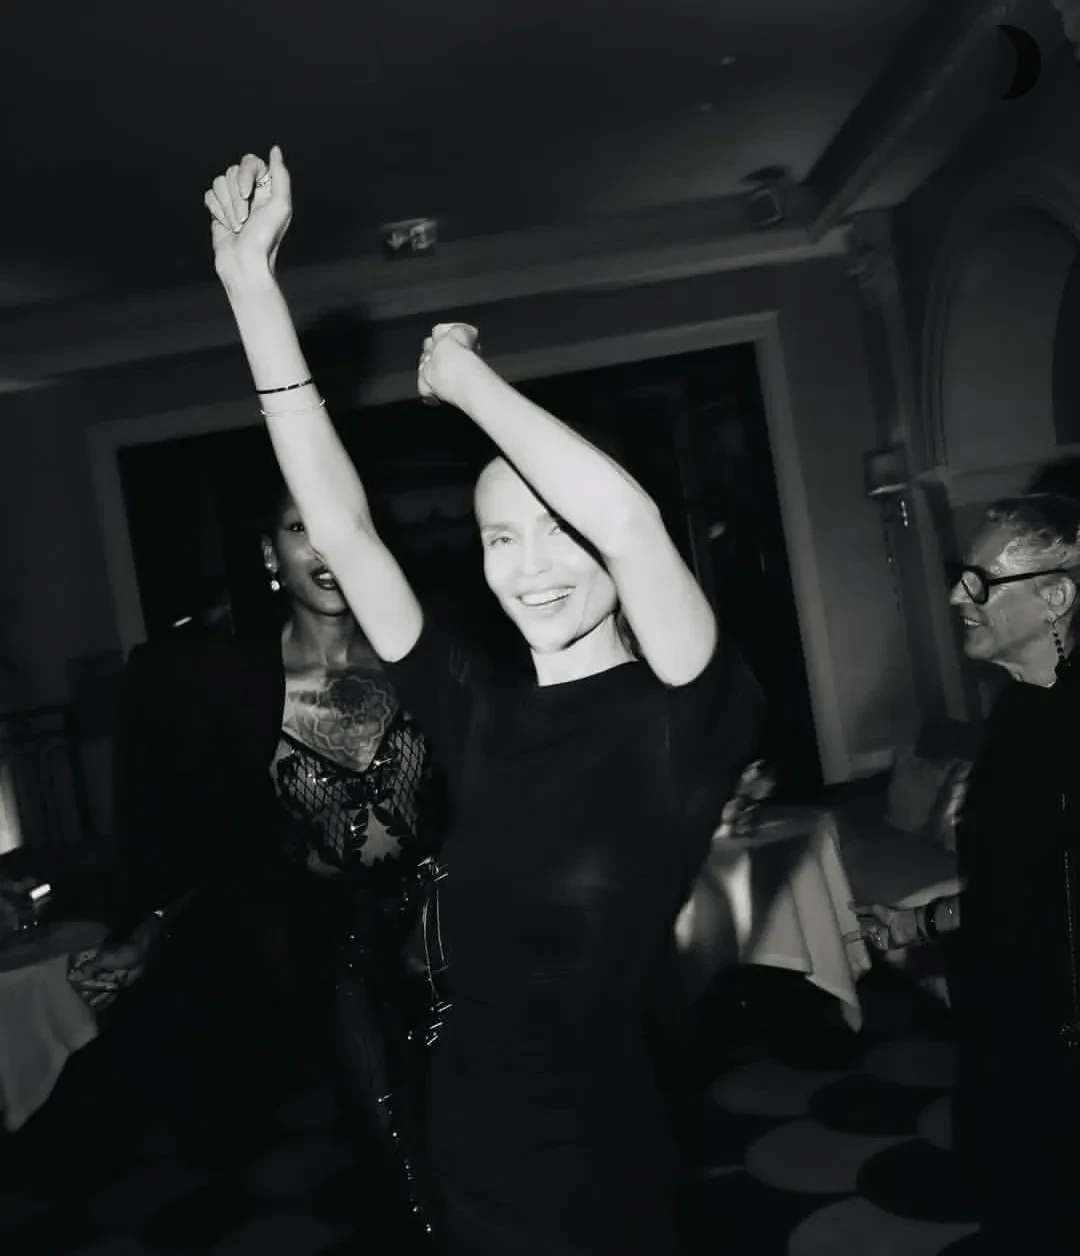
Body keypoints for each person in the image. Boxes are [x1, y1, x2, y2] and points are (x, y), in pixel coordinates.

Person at [204, 145, 763, 1256]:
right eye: (501, 537)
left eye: (557, 532)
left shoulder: (682, 707)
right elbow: (342, 527)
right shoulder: (475, 705)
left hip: (592, 1172)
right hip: (465, 1137)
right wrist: (250, 287)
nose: (530, 565)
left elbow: (630, 522)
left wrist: (466, 381)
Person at [91, 473, 441, 1248]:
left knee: (482, 1128)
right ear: (270, 556)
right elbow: (209, 836)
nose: (324, 547)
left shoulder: (428, 667)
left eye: (340, 523)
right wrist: (145, 928)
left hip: (455, 929)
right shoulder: (234, 690)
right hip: (339, 944)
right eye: (298, 527)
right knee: (393, 1144)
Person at [854, 493, 1080, 1254]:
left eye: (980, 580)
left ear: (1055, 596)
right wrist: (922, 917)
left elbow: (1040, 903)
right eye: (961, 574)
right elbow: (1015, 881)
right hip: (1014, 1018)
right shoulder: (1021, 710)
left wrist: (928, 921)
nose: (957, 595)